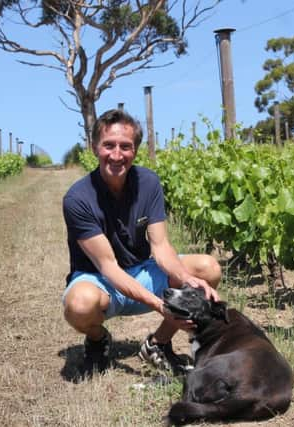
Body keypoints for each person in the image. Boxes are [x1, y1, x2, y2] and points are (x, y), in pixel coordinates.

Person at [62, 109, 221, 376]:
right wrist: (161, 306)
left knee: (207, 268)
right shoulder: (77, 198)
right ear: (94, 148)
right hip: (100, 281)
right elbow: (108, 267)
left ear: (136, 149)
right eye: (108, 145)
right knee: (79, 305)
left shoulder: (148, 182)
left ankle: (157, 344)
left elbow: (160, 248)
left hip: (142, 271)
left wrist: (185, 277)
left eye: (126, 146)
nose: (116, 155)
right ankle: (98, 339)